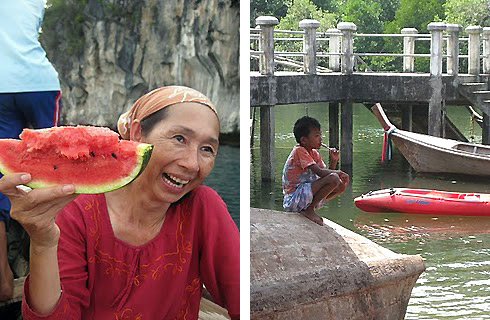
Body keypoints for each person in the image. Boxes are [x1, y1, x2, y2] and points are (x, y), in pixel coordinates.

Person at [0, 86, 240, 319]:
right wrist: (42, 243)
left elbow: (240, 297)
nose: (192, 164)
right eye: (179, 138)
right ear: (137, 134)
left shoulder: (203, 207)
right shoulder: (76, 212)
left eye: (207, 149)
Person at [0, 0, 62, 301]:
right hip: (38, 82)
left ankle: (2, 274)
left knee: (1, 171)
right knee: (55, 164)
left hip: (0, 85)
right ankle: (53, 264)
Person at [282, 116, 350, 225]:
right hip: (294, 199)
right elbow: (321, 173)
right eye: (316, 136)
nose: (320, 139)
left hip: (305, 195)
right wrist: (338, 172)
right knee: (334, 178)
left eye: (320, 135)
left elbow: (326, 176)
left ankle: (310, 207)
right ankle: (309, 209)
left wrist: (334, 161)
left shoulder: (313, 153)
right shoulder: (299, 151)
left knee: (340, 185)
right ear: (304, 140)